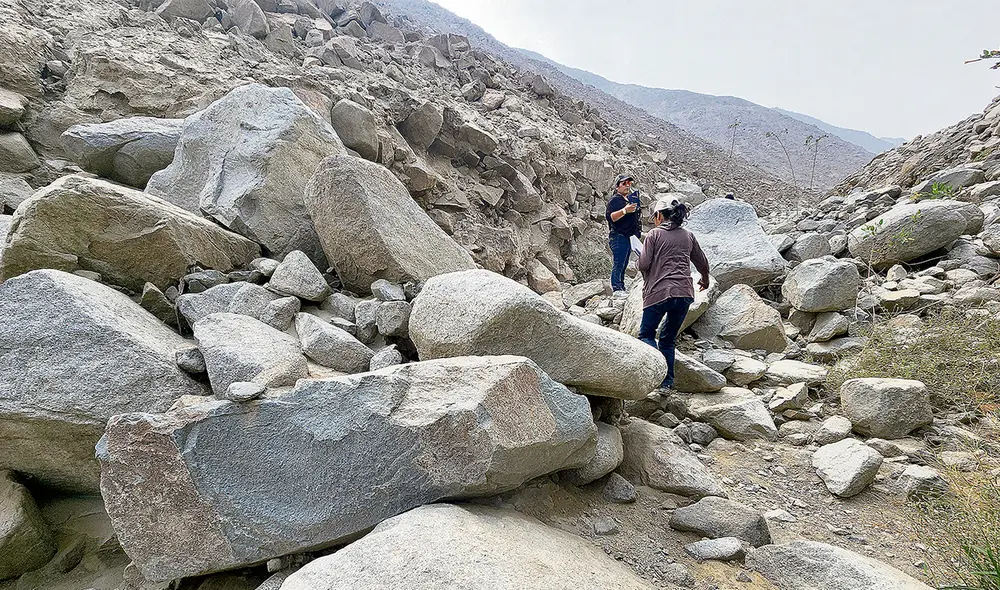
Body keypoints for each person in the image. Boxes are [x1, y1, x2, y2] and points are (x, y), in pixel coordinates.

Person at [636, 197, 711, 389]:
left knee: (646, 334)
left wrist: (638, 261)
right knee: (668, 340)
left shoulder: (654, 235)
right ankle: (667, 384)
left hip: (659, 293)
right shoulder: (688, 235)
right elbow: (702, 262)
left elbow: (644, 264)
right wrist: (705, 278)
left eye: (654, 216)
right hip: (684, 293)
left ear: (660, 215)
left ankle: (657, 373)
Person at [604, 174, 642, 294]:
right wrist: (625, 210)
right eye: (624, 183)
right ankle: (617, 288)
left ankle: (621, 286)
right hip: (618, 236)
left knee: (624, 263)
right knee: (619, 263)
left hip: (628, 236)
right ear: (617, 187)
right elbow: (611, 217)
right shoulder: (615, 200)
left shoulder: (628, 200)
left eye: (629, 183)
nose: (627, 186)